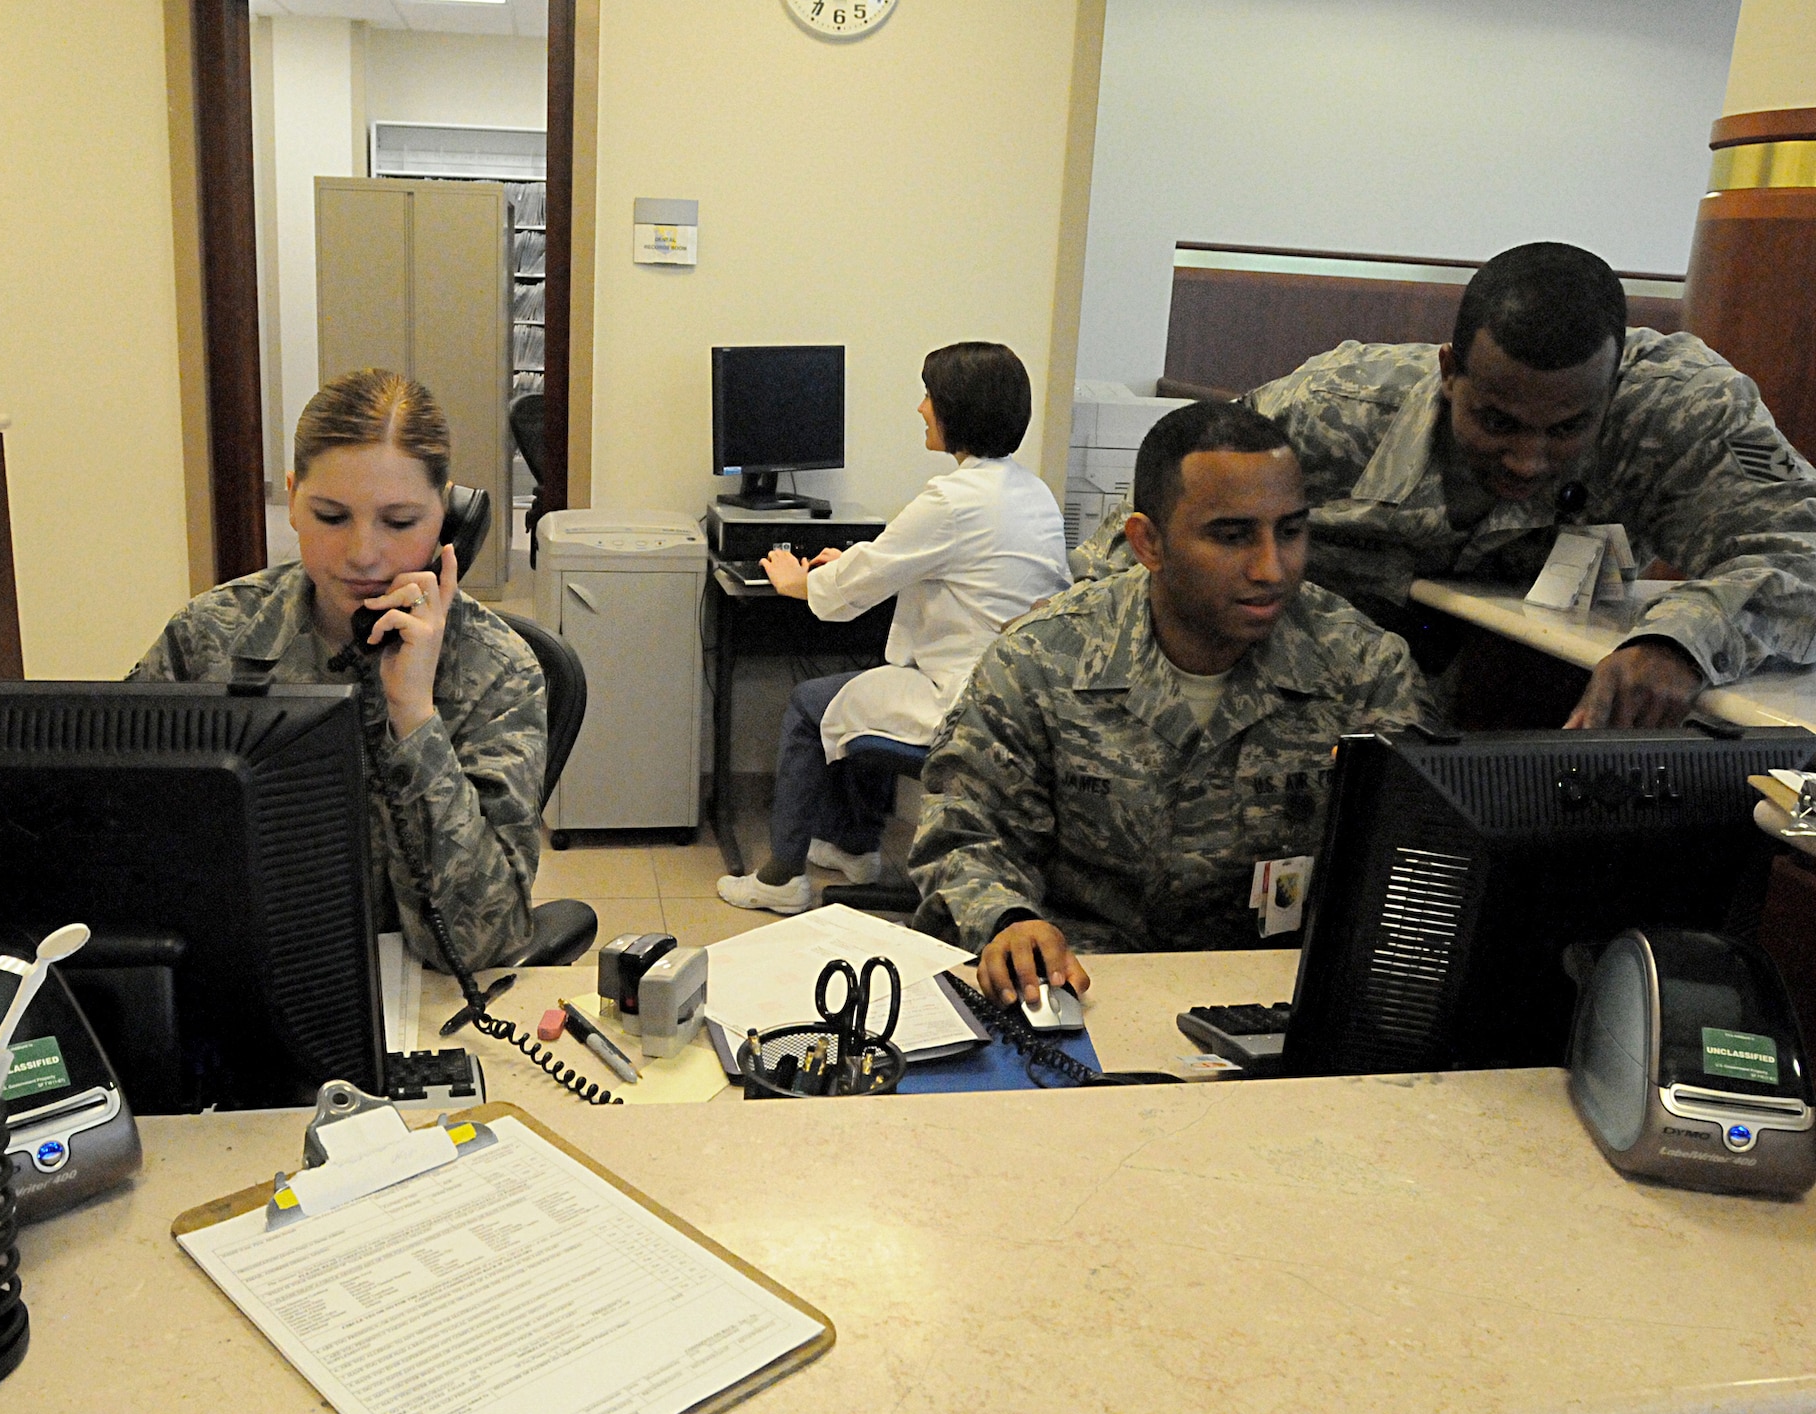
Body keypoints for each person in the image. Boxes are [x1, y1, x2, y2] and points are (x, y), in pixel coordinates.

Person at [1073, 242, 1816, 729]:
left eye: (1567, 429)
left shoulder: (1682, 411)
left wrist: (1682, 641)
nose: (1527, 461)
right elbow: (1144, 541)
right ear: (1449, 372)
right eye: (1496, 422)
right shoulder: (1337, 408)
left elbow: (1801, 554)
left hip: (1531, 716)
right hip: (1301, 699)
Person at [912, 401, 1434, 1008]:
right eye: (1232, 536)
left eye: (1291, 531)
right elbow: (965, 828)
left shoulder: (1363, 669)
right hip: (1082, 983)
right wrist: (1008, 920)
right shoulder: (1042, 660)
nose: (1271, 568)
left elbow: (1416, 868)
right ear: (1148, 543)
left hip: (1270, 991)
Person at [131, 368, 545, 972]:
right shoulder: (207, 636)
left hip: (412, 994)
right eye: (331, 516)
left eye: (399, 522)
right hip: (231, 971)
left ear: (451, 517)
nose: (363, 554)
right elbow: (122, 846)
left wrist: (413, 717)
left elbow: (482, 943)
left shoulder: (499, 671)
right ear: (293, 500)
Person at [717, 341, 1073, 914]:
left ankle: (781, 877)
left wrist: (796, 581)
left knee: (810, 704)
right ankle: (855, 848)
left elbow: (853, 588)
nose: (920, 408)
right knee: (866, 683)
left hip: (963, 702)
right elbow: (921, 563)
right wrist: (855, 563)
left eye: (929, 396)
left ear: (956, 410)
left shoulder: (951, 501)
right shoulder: (1033, 493)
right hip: (1021, 702)